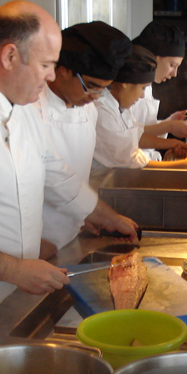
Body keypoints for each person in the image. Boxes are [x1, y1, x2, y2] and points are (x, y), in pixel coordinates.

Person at [0, 4, 138, 329]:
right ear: (10, 56)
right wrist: (15, 269)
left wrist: (103, 215)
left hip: (13, 292)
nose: (50, 75)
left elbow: (53, 170)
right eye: (46, 64)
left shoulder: (20, 103)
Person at [38, 20, 138, 253]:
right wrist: (106, 215)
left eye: (104, 89)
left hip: (73, 232)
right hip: (38, 240)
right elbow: (53, 178)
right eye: (91, 86)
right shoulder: (31, 106)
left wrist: (86, 214)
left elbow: (75, 174)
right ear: (62, 70)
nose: (96, 96)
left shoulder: (88, 108)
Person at [91, 45, 187, 177]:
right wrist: (179, 165)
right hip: (101, 186)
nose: (143, 95)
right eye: (142, 88)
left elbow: (136, 135)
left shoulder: (119, 107)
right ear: (126, 84)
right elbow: (130, 162)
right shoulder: (103, 112)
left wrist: (171, 143)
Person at [131, 21, 187, 157]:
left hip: (141, 163)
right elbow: (129, 135)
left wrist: (168, 122)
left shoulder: (147, 87)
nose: (175, 73)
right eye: (172, 65)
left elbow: (138, 128)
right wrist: (169, 126)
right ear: (154, 58)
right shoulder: (128, 88)